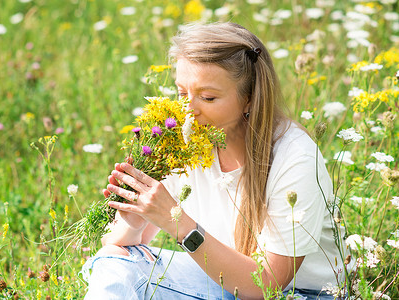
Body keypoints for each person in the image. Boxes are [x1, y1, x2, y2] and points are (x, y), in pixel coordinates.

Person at [82, 22, 348, 299]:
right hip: (221, 282)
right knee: (115, 262)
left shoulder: (294, 157)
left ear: (249, 99)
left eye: (207, 97)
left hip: (300, 293)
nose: (187, 110)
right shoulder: (184, 142)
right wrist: (135, 215)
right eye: (182, 93)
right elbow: (117, 244)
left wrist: (178, 223)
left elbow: (267, 285)